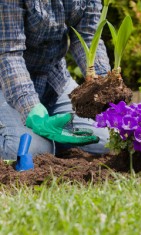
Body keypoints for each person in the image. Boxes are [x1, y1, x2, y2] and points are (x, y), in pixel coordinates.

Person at [0, 0, 111, 160]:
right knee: (32, 151)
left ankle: (47, 141)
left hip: (53, 80)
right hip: (7, 83)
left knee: (102, 142)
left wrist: (104, 87)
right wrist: (30, 107)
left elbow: (87, 36)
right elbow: (8, 54)